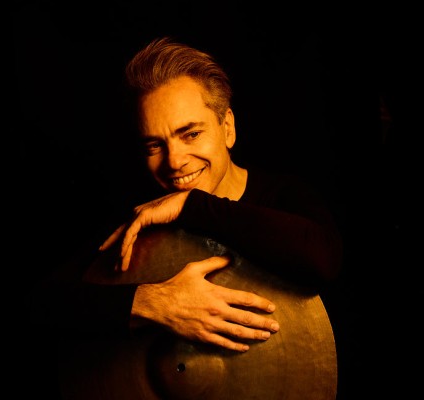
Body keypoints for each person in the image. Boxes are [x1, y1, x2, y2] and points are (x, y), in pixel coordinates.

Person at [29, 35, 343, 393]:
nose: (174, 161)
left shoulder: (284, 195)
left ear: (228, 128)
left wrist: (192, 206)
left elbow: (323, 260)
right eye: (154, 145)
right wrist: (153, 302)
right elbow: (41, 305)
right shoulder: (140, 221)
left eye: (190, 134)